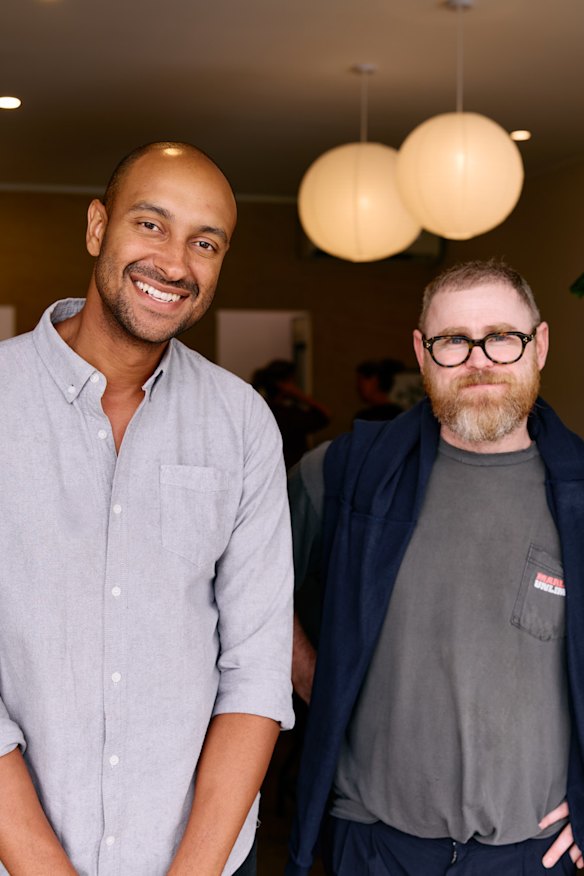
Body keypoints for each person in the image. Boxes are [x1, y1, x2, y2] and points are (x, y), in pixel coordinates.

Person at [0, 141, 294, 876]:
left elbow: (257, 669)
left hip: (201, 859)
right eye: (152, 224)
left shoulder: (242, 423)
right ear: (98, 227)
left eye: (205, 242)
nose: (175, 263)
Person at [287, 260, 584, 875]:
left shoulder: (579, 494)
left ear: (540, 346)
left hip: (531, 855)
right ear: (422, 354)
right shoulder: (344, 475)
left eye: (502, 337)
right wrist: (324, 682)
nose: (480, 361)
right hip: (373, 847)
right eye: (454, 341)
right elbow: (246, 595)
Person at [252, 360, 330, 469]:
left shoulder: (260, 408)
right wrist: (300, 396)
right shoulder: (287, 415)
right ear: (282, 384)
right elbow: (325, 415)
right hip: (290, 470)